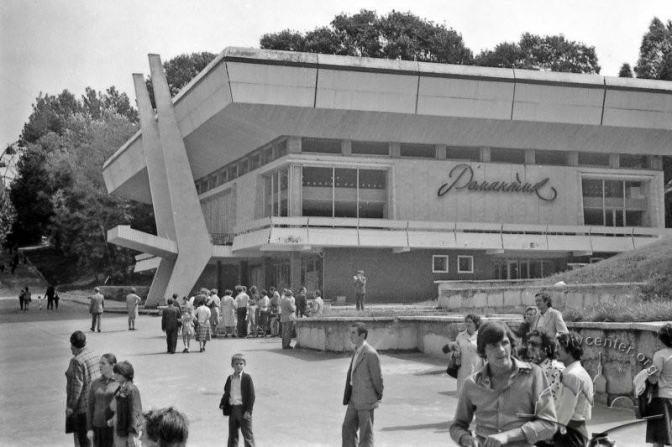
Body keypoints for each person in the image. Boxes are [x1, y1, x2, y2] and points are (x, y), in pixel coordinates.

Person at [449, 321, 557, 446]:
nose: (501, 350)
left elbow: (549, 424)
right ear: (483, 351)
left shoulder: (533, 375)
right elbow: (457, 427)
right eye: (493, 345)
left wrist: (508, 435)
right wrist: (467, 439)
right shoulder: (472, 384)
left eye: (505, 343)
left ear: (511, 345)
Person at [342, 322, 383, 447]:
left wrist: (377, 397)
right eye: (350, 332)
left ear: (362, 335)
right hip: (354, 398)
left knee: (365, 435)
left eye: (354, 333)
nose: (351, 335)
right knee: (347, 428)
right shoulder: (356, 351)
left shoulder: (370, 353)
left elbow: (377, 378)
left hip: (366, 399)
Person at [550, 332, 594, 447]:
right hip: (575, 431)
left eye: (560, 347)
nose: (556, 350)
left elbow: (565, 409)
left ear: (570, 350)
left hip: (569, 433)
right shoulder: (577, 371)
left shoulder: (572, 375)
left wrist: (552, 431)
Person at [66, 330, 101, 447]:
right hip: (96, 403)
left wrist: (70, 407)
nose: (71, 348)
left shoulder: (77, 361)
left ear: (75, 345)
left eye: (72, 345)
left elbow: (77, 388)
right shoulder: (94, 354)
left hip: (83, 408)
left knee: (83, 441)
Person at [219, 353, 256, 447]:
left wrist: (248, 411)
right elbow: (227, 392)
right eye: (236, 364)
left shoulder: (247, 378)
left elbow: (251, 396)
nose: (239, 366)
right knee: (232, 435)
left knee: (247, 435)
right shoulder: (230, 378)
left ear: (244, 364)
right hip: (233, 410)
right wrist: (222, 403)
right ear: (232, 365)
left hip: (243, 410)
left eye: (241, 363)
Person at [645, 323, 672, 447]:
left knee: (658, 437)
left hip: (662, 399)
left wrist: (646, 375)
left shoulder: (660, 355)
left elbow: (653, 379)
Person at [87, 353, 120, 447]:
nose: (100, 366)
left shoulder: (119, 383)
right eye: (99, 363)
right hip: (97, 427)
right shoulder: (95, 383)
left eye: (103, 363)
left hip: (113, 429)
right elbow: (90, 407)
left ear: (112, 365)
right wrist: (89, 429)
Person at [112, 361, 143, 447]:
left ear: (126, 374)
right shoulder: (121, 388)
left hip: (130, 434)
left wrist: (132, 433)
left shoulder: (131, 390)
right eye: (115, 373)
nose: (115, 375)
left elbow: (136, 412)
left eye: (119, 373)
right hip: (122, 432)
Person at [453, 314, 486, 396]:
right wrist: (455, 354)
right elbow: (455, 349)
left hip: (477, 368)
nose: (467, 324)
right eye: (466, 321)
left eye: (470, 322)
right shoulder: (460, 335)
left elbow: (486, 353)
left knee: (476, 395)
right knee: (463, 395)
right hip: (463, 368)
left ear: (476, 323)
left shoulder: (482, 336)